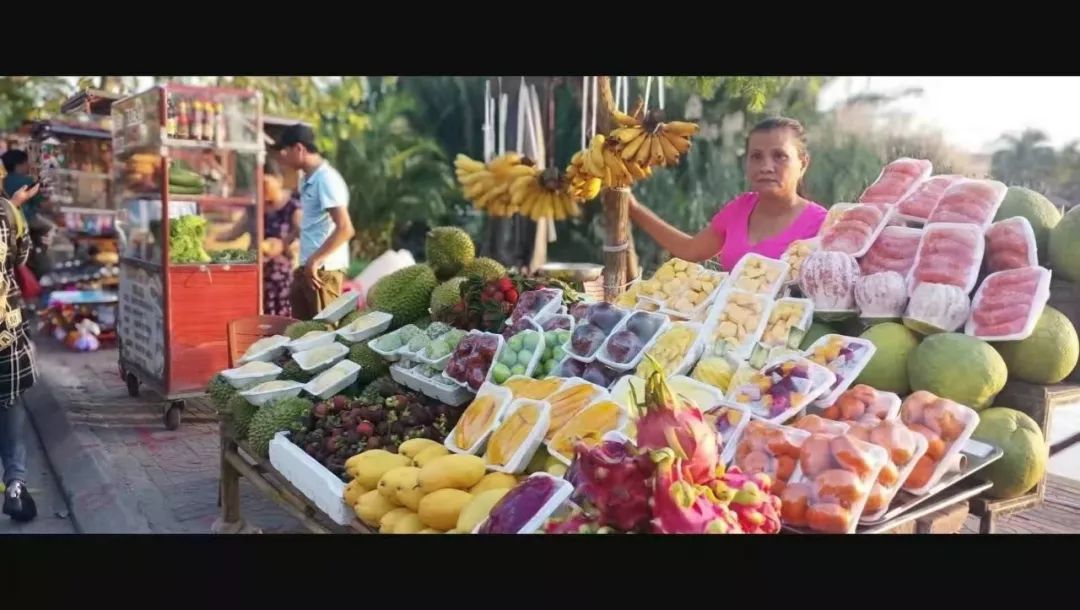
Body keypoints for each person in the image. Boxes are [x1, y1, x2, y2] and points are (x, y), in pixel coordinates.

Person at [629, 117, 827, 270]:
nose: (766, 166)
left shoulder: (822, 225)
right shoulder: (739, 209)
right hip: (727, 322)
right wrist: (634, 209)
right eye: (756, 156)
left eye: (780, 156)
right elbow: (690, 250)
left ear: (803, 163)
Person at [272, 124, 354, 321]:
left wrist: (315, 260)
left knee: (323, 336)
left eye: (285, 149)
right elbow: (312, 221)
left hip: (323, 271)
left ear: (299, 149)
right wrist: (287, 240)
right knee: (301, 331)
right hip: (307, 267)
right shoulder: (306, 178)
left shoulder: (326, 180)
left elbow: (345, 228)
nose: (282, 156)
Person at [0, 182, 41, 523]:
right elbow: (21, 257)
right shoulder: (8, 214)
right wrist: (13, 205)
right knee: (10, 404)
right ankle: (15, 485)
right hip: (4, 329)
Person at [216, 159, 301, 316]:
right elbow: (237, 230)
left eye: (266, 184)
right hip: (254, 271)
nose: (262, 190)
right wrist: (214, 237)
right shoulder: (255, 207)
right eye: (258, 185)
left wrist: (283, 245)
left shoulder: (293, 207)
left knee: (278, 321)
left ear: (279, 180)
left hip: (280, 277)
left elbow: (301, 234)